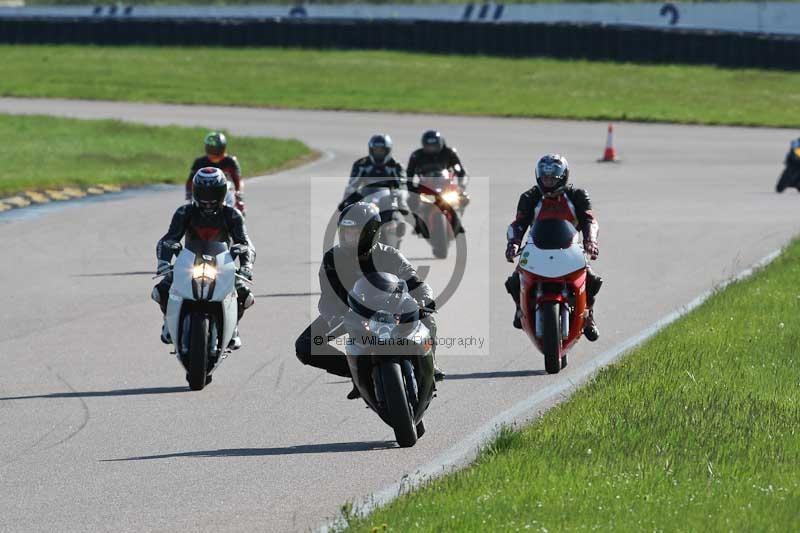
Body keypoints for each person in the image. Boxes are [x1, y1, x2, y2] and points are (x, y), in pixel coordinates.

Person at [295, 202, 444, 399]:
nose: (350, 238)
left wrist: (425, 300)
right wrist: (335, 318)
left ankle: (430, 368)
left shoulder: (389, 254)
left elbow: (415, 281)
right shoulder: (332, 259)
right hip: (349, 312)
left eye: (356, 233)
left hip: (393, 308)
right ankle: (357, 375)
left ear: (372, 232)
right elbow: (328, 298)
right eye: (346, 233)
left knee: (428, 320)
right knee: (305, 346)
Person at [153, 167, 255, 349]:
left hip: (223, 265)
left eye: (214, 192)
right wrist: (163, 262)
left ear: (223, 191)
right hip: (188, 262)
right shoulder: (184, 212)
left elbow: (245, 243)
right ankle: (168, 322)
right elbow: (168, 238)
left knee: (245, 296)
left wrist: (246, 265)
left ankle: (233, 328)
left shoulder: (232, 215)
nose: (208, 199)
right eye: (204, 192)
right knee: (160, 291)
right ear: (195, 191)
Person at [504, 154, 602, 341]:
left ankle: (589, 315)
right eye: (545, 177)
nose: (548, 182)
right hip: (535, 248)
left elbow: (590, 221)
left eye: (553, 178)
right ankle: (519, 309)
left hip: (571, 248)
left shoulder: (578, 196)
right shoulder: (529, 197)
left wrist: (591, 241)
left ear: (563, 176)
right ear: (538, 176)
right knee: (515, 279)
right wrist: (513, 242)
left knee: (592, 278)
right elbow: (518, 223)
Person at [340, 134, 408, 213]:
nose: (378, 153)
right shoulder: (361, 164)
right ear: (371, 150)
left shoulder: (396, 165)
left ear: (388, 150)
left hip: (389, 202)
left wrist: (401, 201)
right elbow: (352, 185)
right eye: (376, 150)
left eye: (381, 150)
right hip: (365, 200)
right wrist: (345, 201)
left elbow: (402, 186)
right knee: (347, 216)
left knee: (400, 220)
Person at [185, 132, 245, 213]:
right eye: (211, 148)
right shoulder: (200, 162)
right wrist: (189, 195)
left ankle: (236, 221)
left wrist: (238, 194)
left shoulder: (230, 161)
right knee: (189, 213)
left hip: (225, 193)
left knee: (239, 210)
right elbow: (190, 181)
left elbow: (237, 179)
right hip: (203, 192)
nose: (213, 151)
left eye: (216, 149)